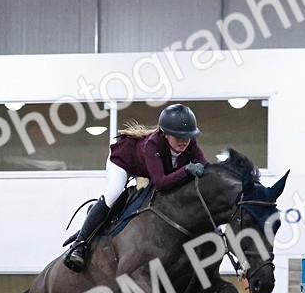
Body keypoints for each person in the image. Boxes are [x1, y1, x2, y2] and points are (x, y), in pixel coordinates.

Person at [62, 103, 208, 272]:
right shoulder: (151, 145)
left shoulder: (190, 143)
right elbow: (161, 183)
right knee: (115, 193)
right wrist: (186, 170)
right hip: (123, 161)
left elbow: (204, 166)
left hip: (149, 169)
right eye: (178, 137)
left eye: (187, 136)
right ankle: (79, 244)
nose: (184, 141)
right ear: (166, 134)